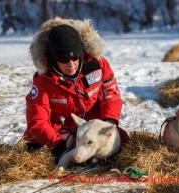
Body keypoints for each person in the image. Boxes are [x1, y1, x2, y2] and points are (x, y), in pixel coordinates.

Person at [22, 17, 128, 165]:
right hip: (60, 128)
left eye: (75, 57)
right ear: (53, 57)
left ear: (82, 51)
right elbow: (37, 121)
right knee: (34, 147)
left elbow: (111, 97)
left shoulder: (98, 65)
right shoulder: (43, 79)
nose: (71, 65)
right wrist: (58, 148)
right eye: (64, 60)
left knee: (122, 140)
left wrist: (107, 125)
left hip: (94, 122)